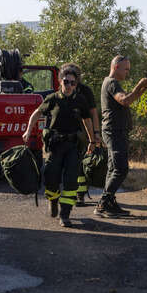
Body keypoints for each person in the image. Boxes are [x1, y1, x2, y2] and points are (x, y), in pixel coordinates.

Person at [22, 65, 98, 227]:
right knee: (50, 177)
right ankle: (53, 200)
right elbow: (37, 113)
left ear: (76, 84)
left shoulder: (80, 100)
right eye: (66, 82)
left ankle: (65, 214)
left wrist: (92, 140)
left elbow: (87, 121)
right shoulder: (53, 99)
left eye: (73, 83)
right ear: (60, 82)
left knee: (71, 181)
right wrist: (28, 131)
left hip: (73, 146)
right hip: (55, 146)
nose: (69, 85)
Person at [94, 55, 147, 217]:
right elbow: (125, 101)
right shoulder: (112, 83)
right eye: (126, 69)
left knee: (113, 168)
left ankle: (109, 201)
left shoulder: (111, 83)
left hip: (116, 131)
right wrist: (139, 85)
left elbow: (129, 99)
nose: (127, 72)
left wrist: (143, 89)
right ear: (116, 67)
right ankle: (104, 203)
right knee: (121, 168)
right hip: (114, 131)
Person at [63, 63, 100, 205]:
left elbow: (93, 113)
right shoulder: (62, 89)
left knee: (79, 165)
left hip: (82, 133)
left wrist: (95, 134)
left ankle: (79, 195)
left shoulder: (85, 91)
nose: (69, 83)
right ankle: (72, 193)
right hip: (65, 133)